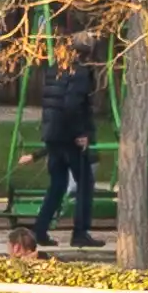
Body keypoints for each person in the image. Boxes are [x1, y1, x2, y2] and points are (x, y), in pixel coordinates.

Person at [31, 40, 102, 249]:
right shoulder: (79, 73)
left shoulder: (53, 71)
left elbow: (51, 103)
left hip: (53, 133)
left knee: (57, 184)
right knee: (85, 183)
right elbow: (73, 104)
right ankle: (80, 231)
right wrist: (82, 132)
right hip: (70, 135)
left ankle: (40, 229)